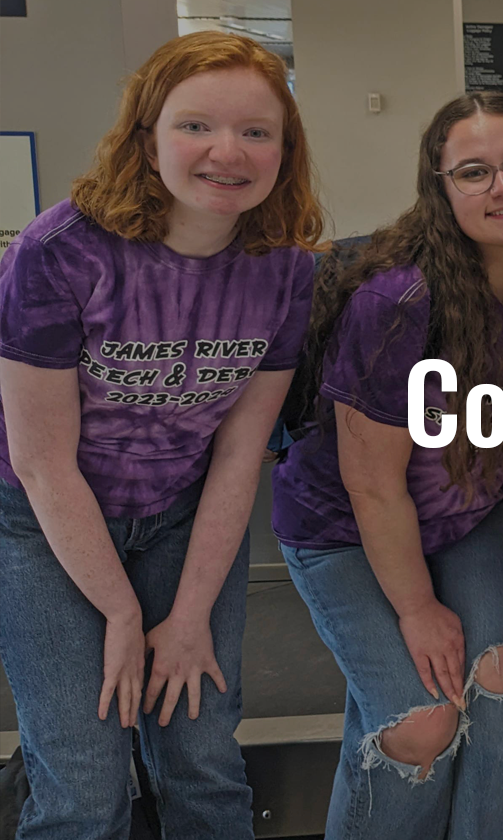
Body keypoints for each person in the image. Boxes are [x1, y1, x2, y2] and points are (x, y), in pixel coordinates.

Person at [0, 32, 322, 838]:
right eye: (195, 126)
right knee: (83, 777)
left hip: (180, 516)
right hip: (46, 523)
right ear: (147, 139)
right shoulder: (59, 253)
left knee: (202, 754)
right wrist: (118, 614)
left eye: (257, 132)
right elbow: (41, 463)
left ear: (285, 149)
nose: (229, 152)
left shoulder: (285, 268)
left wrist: (185, 621)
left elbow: (241, 453)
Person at [268, 92, 503, 838]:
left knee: (498, 686)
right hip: (344, 525)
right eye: (474, 173)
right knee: (420, 721)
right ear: (439, 191)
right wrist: (416, 610)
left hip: (471, 510)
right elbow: (370, 483)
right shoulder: (399, 300)